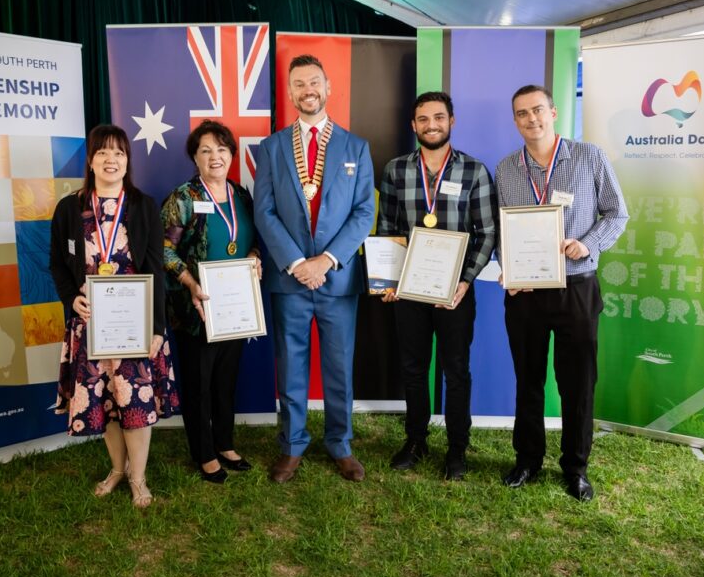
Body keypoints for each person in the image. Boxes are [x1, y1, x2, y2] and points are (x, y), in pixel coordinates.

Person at [496, 85, 628, 501]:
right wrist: (509, 268)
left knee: (577, 384)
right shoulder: (506, 169)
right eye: (521, 114)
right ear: (515, 120)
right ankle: (527, 460)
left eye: (537, 110)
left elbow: (617, 213)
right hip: (526, 293)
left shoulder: (589, 156)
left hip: (577, 288)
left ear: (553, 112)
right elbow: (505, 231)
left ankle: (576, 467)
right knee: (528, 379)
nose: (530, 119)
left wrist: (588, 243)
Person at [253, 54, 375, 483]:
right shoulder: (270, 148)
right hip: (290, 278)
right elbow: (264, 211)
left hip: (337, 278)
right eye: (299, 84)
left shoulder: (356, 147)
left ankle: (341, 444)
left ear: (327, 88)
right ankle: (292, 445)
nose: (308, 91)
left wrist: (325, 260)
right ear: (289, 92)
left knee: (340, 366)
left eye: (314, 83)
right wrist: (297, 262)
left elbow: (363, 213)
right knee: (291, 367)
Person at [50, 123, 179, 508]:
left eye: (119, 153)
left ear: (127, 162)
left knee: (135, 402)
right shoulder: (69, 208)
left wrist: (157, 328)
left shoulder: (142, 206)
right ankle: (117, 470)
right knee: (106, 403)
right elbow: (57, 265)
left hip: (135, 325)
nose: (111, 159)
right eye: (103, 152)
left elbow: (156, 268)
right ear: (90, 160)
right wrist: (71, 298)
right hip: (90, 326)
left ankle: (138, 478)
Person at [377, 91, 496, 480]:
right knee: (413, 368)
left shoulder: (474, 171)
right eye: (423, 119)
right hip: (409, 291)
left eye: (439, 117)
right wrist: (390, 279)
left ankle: (457, 448)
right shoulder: (396, 170)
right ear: (413, 125)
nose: (431, 125)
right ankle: (415, 440)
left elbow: (487, 233)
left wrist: (464, 282)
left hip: (455, 293)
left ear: (451, 121)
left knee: (456, 370)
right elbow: (389, 230)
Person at [161, 120, 261, 484]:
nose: (215, 157)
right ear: (195, 157)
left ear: (232, 154)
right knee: (199, 383)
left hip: (235, 308)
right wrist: (188, 282)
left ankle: (225, 443)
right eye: (205, 150)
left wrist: (254, 256)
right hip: (197, 308)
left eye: (221, 149)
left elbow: (251, 240)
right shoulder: (184, 198)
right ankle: (204, 453)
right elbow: (163, 249)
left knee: (225, 380)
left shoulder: (241, 195)